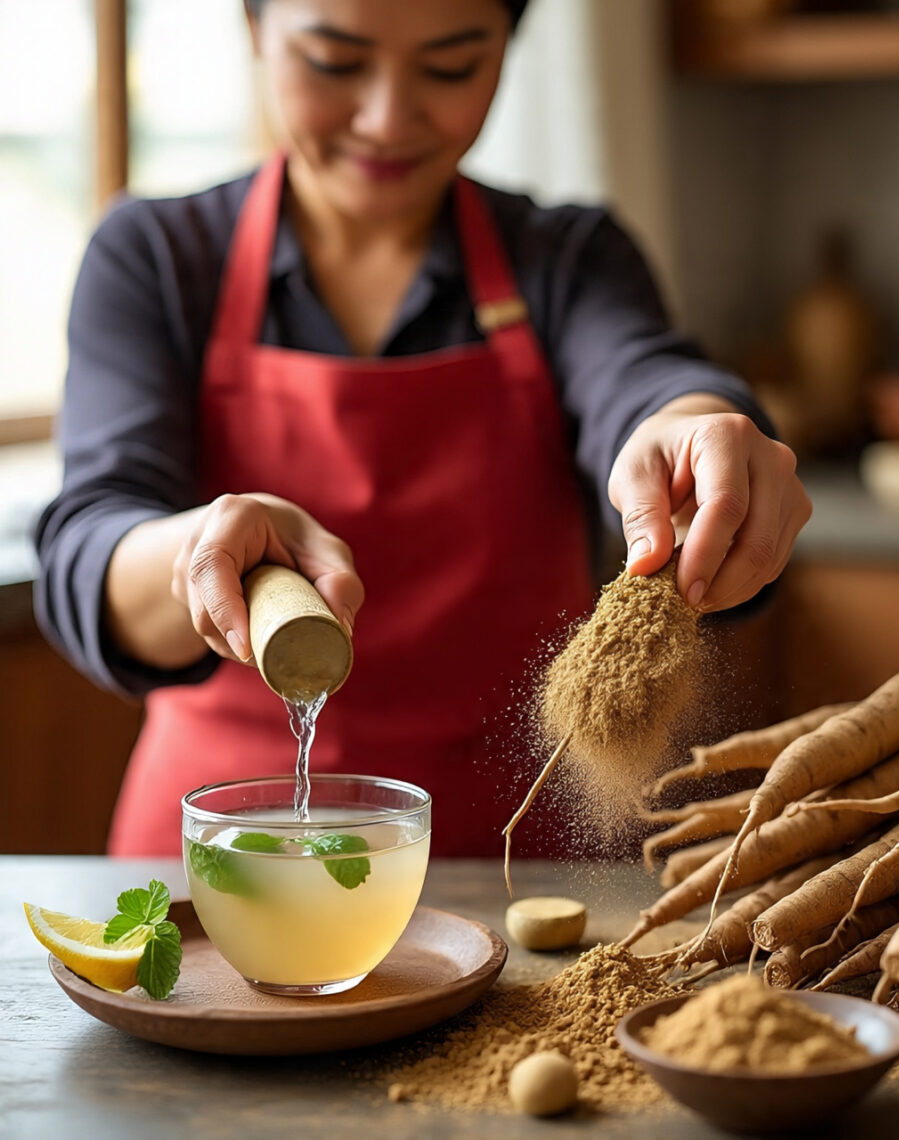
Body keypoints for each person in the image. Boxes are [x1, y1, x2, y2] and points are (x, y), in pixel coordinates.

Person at [35, 0, 811, 858]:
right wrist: (202, 552)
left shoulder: (568, 260)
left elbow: (646, 376)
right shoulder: (154, 257)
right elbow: (86, 553)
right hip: (219, 867)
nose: (387, 119)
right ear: (254, 29)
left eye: (449, 68)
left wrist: (698, 433)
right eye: (335, 62)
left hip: (511, 875)